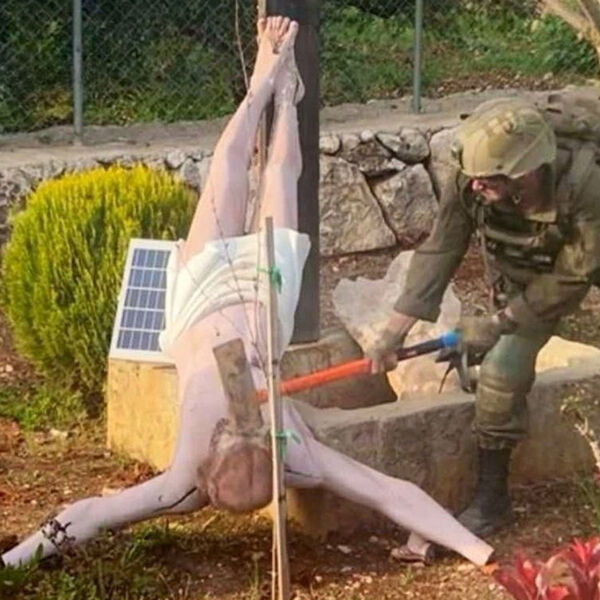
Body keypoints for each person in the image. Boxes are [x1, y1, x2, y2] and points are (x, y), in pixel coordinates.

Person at [1, 16, 493, 570]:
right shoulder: (273, 462)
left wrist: (484, 557)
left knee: (233, 171)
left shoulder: (214, 474)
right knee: (276, 174)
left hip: (199, 301)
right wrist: (480, 553)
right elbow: (389, 492)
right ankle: (278, 94)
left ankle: (271, 88)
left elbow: (92, 512)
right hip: (261, 299)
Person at [368, 96, 600, 538]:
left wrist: (497, 323)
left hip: (581, 259)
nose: (475, 186)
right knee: (501, 372)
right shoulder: (471, 179)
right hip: (528, 272)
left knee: (502, 347)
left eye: (488, 179)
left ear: (525, 172)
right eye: (473, 177)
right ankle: (493, 502)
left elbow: (573, 276)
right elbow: (441, 248)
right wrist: (394, 331)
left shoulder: (586, 184)